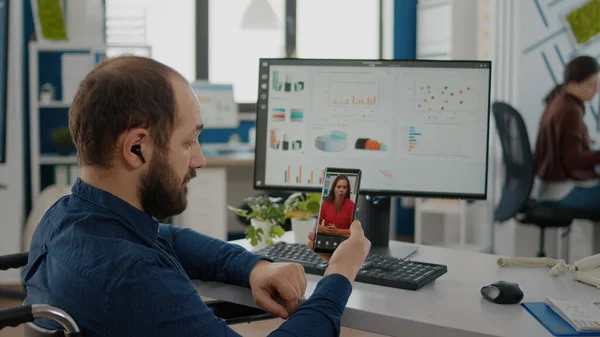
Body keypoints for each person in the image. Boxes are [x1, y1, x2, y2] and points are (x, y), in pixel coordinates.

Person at [22, 56, 371, 337]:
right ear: (136, 148)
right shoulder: (135, 278)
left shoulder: (63, 218)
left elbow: (166, 238)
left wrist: (253, 266)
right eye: (188, 142)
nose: (199, 159)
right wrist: (339, 274)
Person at [534, 55, 600, 209]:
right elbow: (574, 160)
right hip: (562, 192)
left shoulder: (558, 101)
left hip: (548, 189)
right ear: (572, 84)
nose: (595, 91)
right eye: (591, 85)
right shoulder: (571, 111)